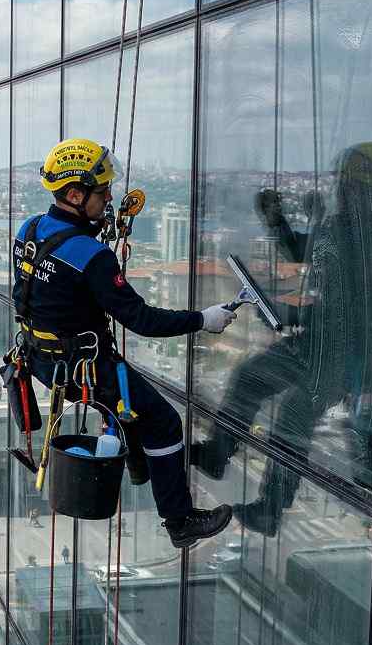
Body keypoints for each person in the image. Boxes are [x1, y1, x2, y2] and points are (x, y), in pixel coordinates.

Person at [12, 137, 236, 549]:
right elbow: (141, 319)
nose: (108, 198)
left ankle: (146, 462)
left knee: (137, 413)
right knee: (164, 420)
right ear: (75, 194)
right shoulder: (91, 255)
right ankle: (180, 521)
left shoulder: (29, 230)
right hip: (85, 369)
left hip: (41, 360)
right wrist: (204, 319)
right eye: (101, 192)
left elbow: (45, 293)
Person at [190, 143, 372, 537]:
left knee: (294, 416)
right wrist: (278, 223)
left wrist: (292, 314)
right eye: (342, 184)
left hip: (345, 352)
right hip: (318, 341)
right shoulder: (343, 228)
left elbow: (358, 310)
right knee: (250, 377)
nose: (341, 191)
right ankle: (218, 454)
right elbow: (312, 252)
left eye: (349, 186)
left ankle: (271, 508)